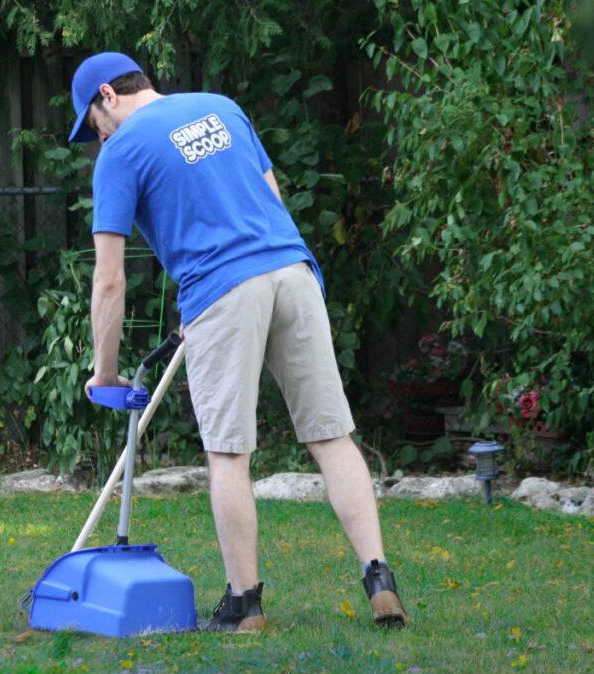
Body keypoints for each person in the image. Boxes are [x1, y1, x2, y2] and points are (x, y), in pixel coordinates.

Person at [71, 51, 407, 632]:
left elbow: (107, 278)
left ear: (107, 95)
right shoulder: (222, 109)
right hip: (291, 272)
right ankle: (380, 578)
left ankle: (244, 603)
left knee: (229, 452)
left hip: (223, 291)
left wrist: (105, 373)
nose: (96, 142)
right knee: (332, 437)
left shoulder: (121, 152)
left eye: (92, 127)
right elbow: (271, 200)